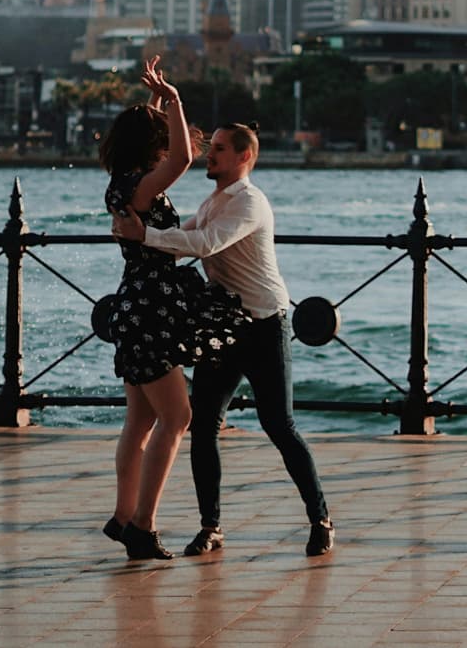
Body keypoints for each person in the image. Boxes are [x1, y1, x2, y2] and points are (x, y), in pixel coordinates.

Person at [114, 121, 335, 557]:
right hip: (224, 328)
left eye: (218, 149)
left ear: (243, 157)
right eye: (210, 147)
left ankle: (321, 519)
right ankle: (211, 527)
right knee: (204, 426)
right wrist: (134, 238)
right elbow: (180, 245)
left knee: (279, 426)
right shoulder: (213, 200)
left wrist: (148, 235)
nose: (208, 155)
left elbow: (206, 244)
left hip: (265, 324)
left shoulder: (250, 203)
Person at [100, 57, 248, 561]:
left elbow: (168, 150)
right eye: (159, 132)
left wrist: (160, 104)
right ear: (148, 145)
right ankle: (143, 525)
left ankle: (123, 517)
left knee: (139, 422)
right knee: (178, 417)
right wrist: (178, 102)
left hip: (137, 305)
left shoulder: (125, 181)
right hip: (150, 310)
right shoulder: (140, 186)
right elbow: (183, 158)